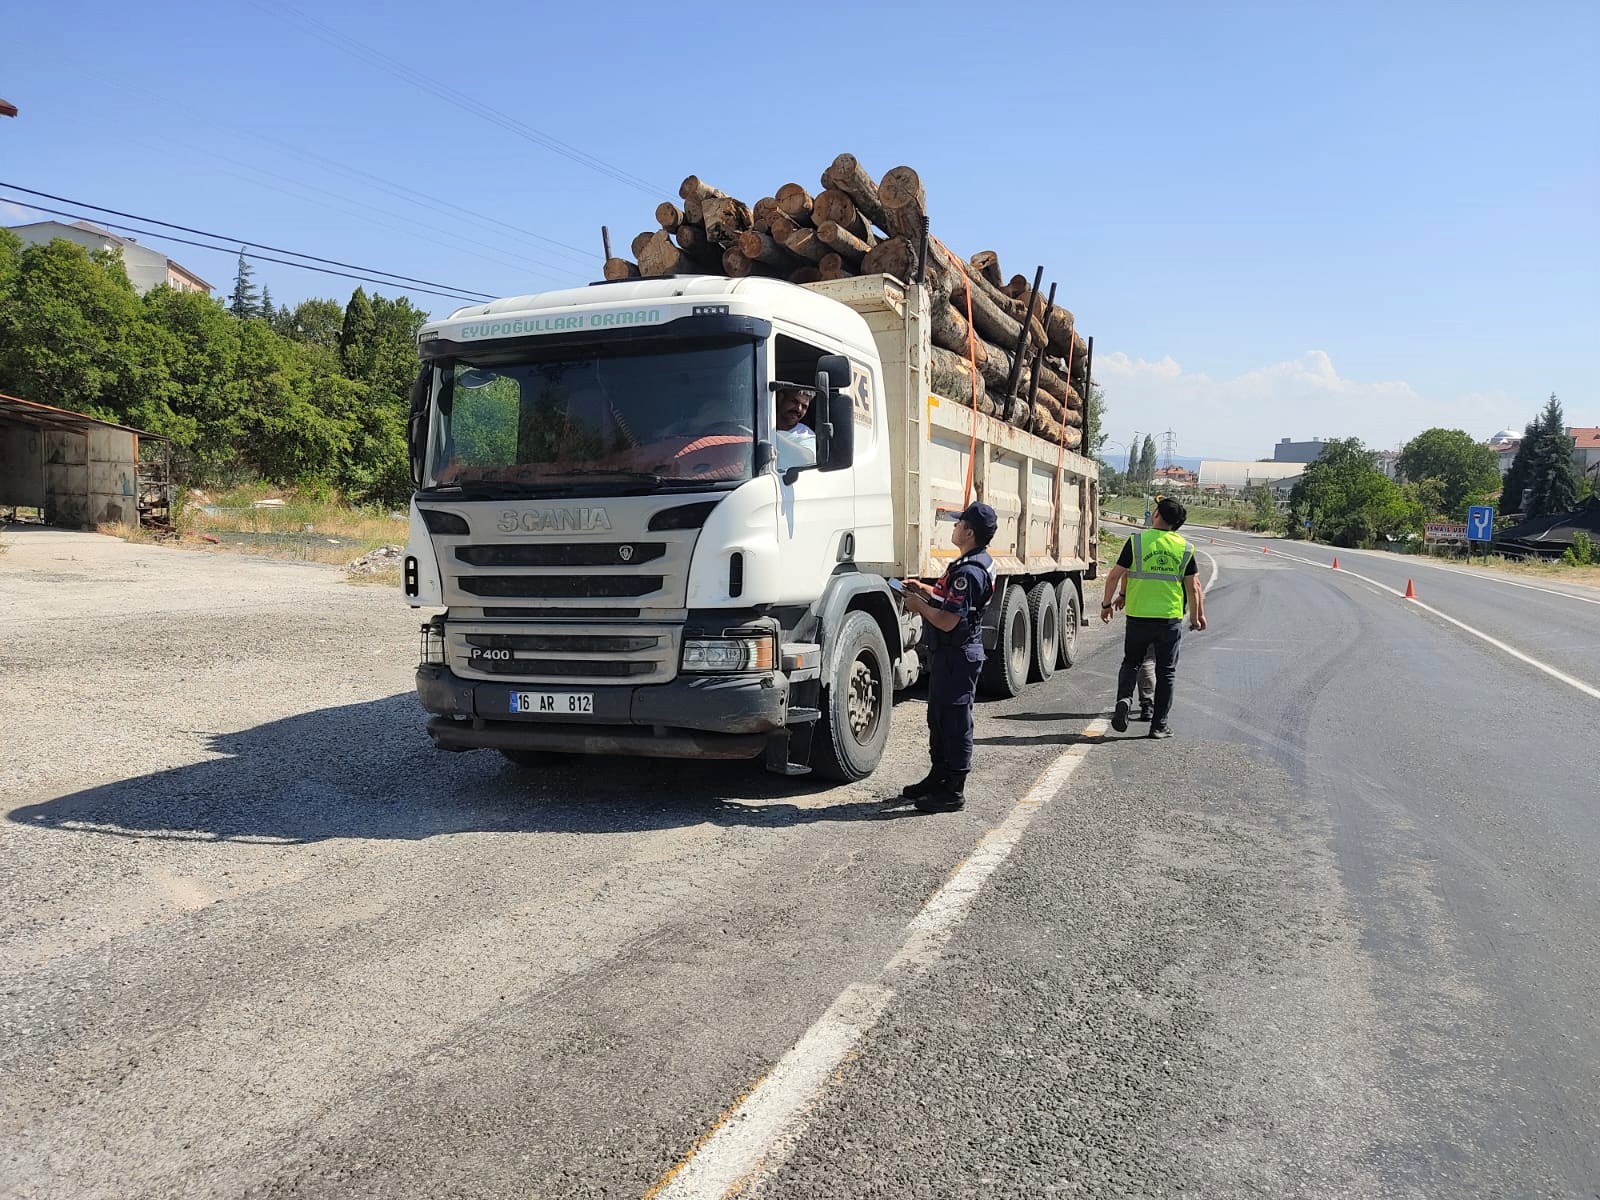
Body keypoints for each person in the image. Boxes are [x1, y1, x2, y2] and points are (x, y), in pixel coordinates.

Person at [887, 501, 999, 813]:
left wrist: (918, 606)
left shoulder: (968, 571)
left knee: (955, 722)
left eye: (958, 523)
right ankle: (938, 776)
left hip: (957, 656)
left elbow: (949, 620)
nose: (953, 527)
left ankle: (953, 790)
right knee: (938, 718)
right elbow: (950, 600)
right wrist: (924, 590)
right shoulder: (975, 562)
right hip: (951, 655)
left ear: (969, 532)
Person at [1100, 495, 1207, 739]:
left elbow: (1114, 575)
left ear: (1156, 515)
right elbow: (1192, 586)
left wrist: (1107, 604)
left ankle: (1125, 700)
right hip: (1169, 619)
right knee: (1166, 671)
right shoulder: (1185, 548)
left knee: (1131, 662)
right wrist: (1194, 617)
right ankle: (1159, 726)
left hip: (1138, 616)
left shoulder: (1136, 541)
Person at [773, 383, 817, 471]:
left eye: (804, 406)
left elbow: (807, 459)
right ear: (780, 398)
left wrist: (770, 436)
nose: (799, 409)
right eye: (795, 402)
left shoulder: (805, 434)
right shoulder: (760, 422)